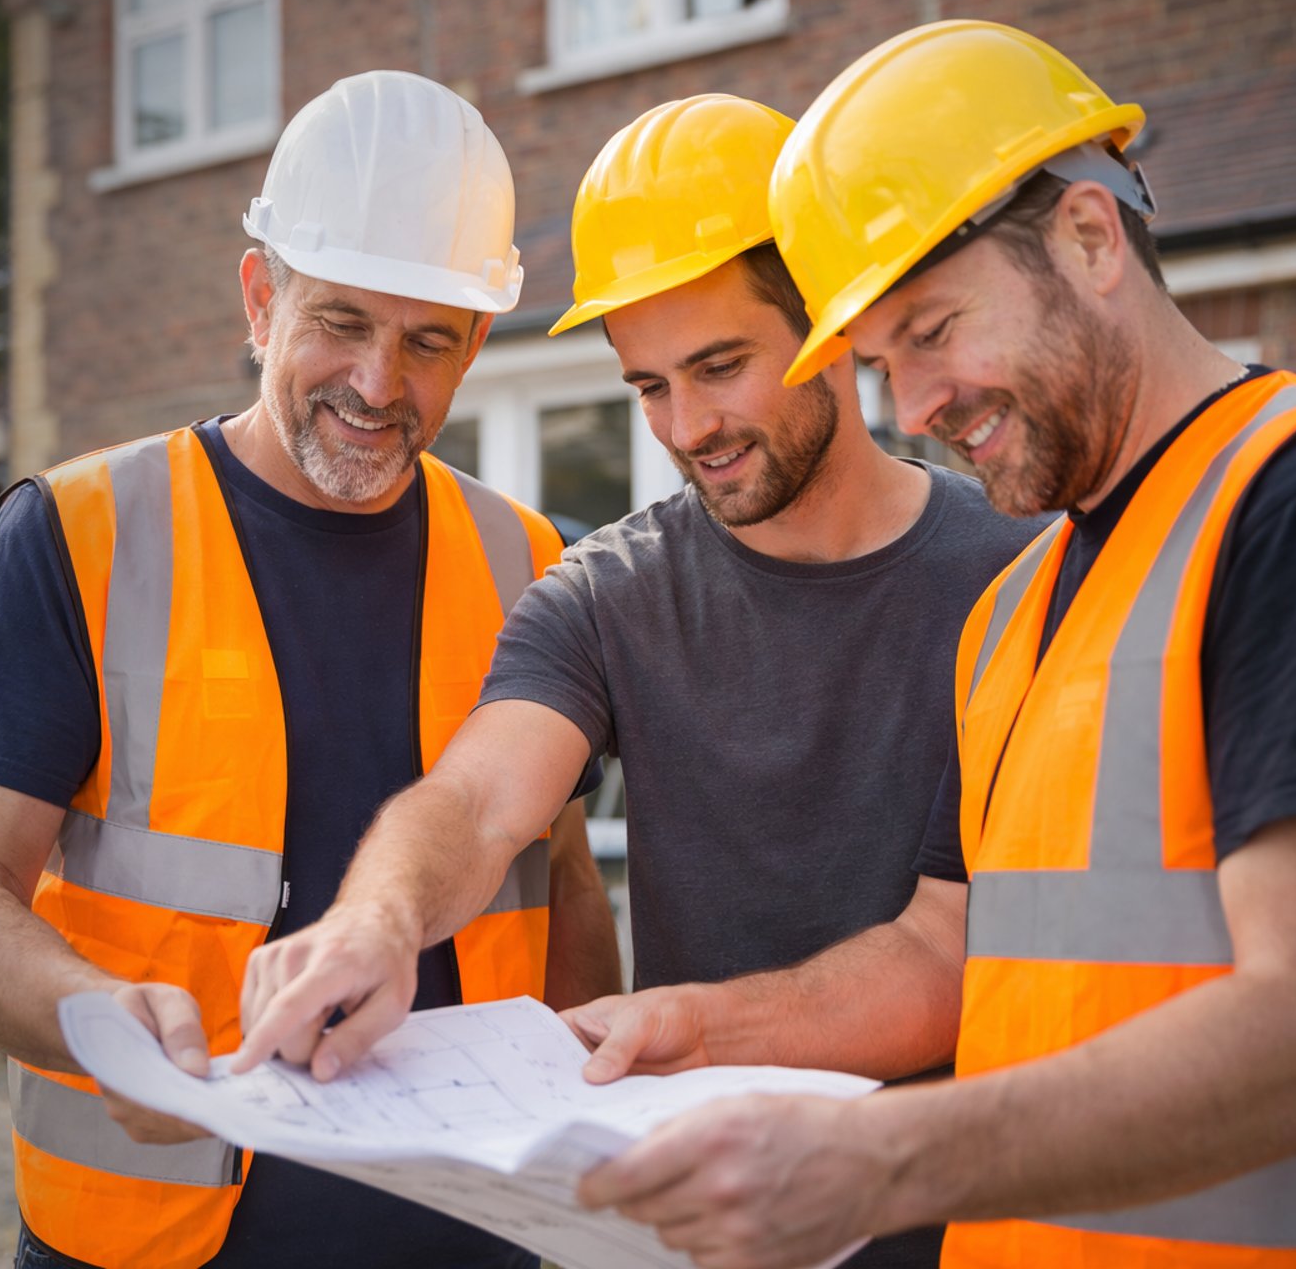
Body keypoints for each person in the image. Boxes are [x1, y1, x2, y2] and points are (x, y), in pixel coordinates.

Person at [568, 21, 1296, 1269]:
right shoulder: (1020, 602)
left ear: (1091, 238)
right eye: (884, 362)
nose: (915, 407)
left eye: (935, 330)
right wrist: (698, 1026)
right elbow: (945, 953)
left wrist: (879, 1161)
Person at [232, 93, 1043, 1269]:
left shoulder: (1019, 575)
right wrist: (379, 918)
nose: (688, 425)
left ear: (831, 323)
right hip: (709, 1235)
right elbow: (476, 800)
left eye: (720, 366)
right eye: (649, 385)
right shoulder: (609, 592)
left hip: (968, 1229)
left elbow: (958, 949)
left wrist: (703, 1023)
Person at [0, 71, 620, 1269]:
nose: (379, 384)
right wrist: (96, 1021)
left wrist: (580, 1146)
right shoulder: (80, 532)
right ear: (259, 297)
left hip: (473, 1235)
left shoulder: (528, 557)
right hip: (148, 1234)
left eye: (427, 340)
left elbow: (563, 877)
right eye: (340, 320)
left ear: (476, 344)